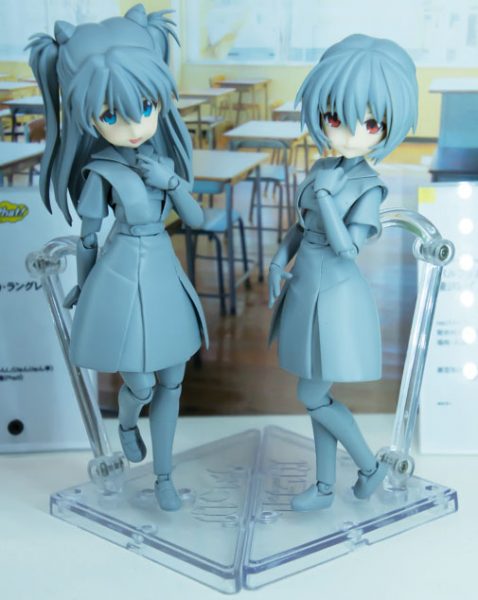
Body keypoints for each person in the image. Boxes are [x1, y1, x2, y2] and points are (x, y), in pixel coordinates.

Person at [28, 4, 208, 511]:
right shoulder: (101, 173)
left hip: (163, 273)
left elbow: (195, 219)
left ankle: (164, 475)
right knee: (142, 382)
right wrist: (85, 287)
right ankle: (128, 421)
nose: (133, 125)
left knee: (172, 378)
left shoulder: (163, 162)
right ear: (88, 116)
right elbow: (87, 240)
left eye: (145, 107)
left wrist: (171, 182)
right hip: (120, 271)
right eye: (110, 115)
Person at [268, 34, 418, 510]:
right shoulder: (322, 167)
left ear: (387, 128)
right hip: (305, 286)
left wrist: (328, 196)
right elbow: (301, 225)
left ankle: (369, 468)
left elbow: (347, 247)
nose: (352, 134)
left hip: (335, 292)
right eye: (336, 119)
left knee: (313, 393)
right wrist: (278, 260)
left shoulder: (369, 186)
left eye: (370, 123)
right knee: (318, 392)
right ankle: (324, 487)